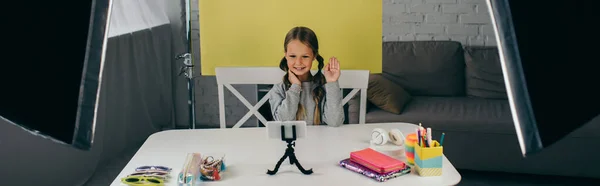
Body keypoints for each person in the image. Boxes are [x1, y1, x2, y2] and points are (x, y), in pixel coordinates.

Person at [269, 26, 345, 127]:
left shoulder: (323, 87)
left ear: (314, 56)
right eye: (292, 56)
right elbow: (283, 122)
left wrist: (332, 82)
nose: (298, 62)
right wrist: (295, 87)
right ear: (286, 55)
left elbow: (335, 122)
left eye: (305, 56)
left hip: (321, 142)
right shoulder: (278, 90)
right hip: (291, 143)